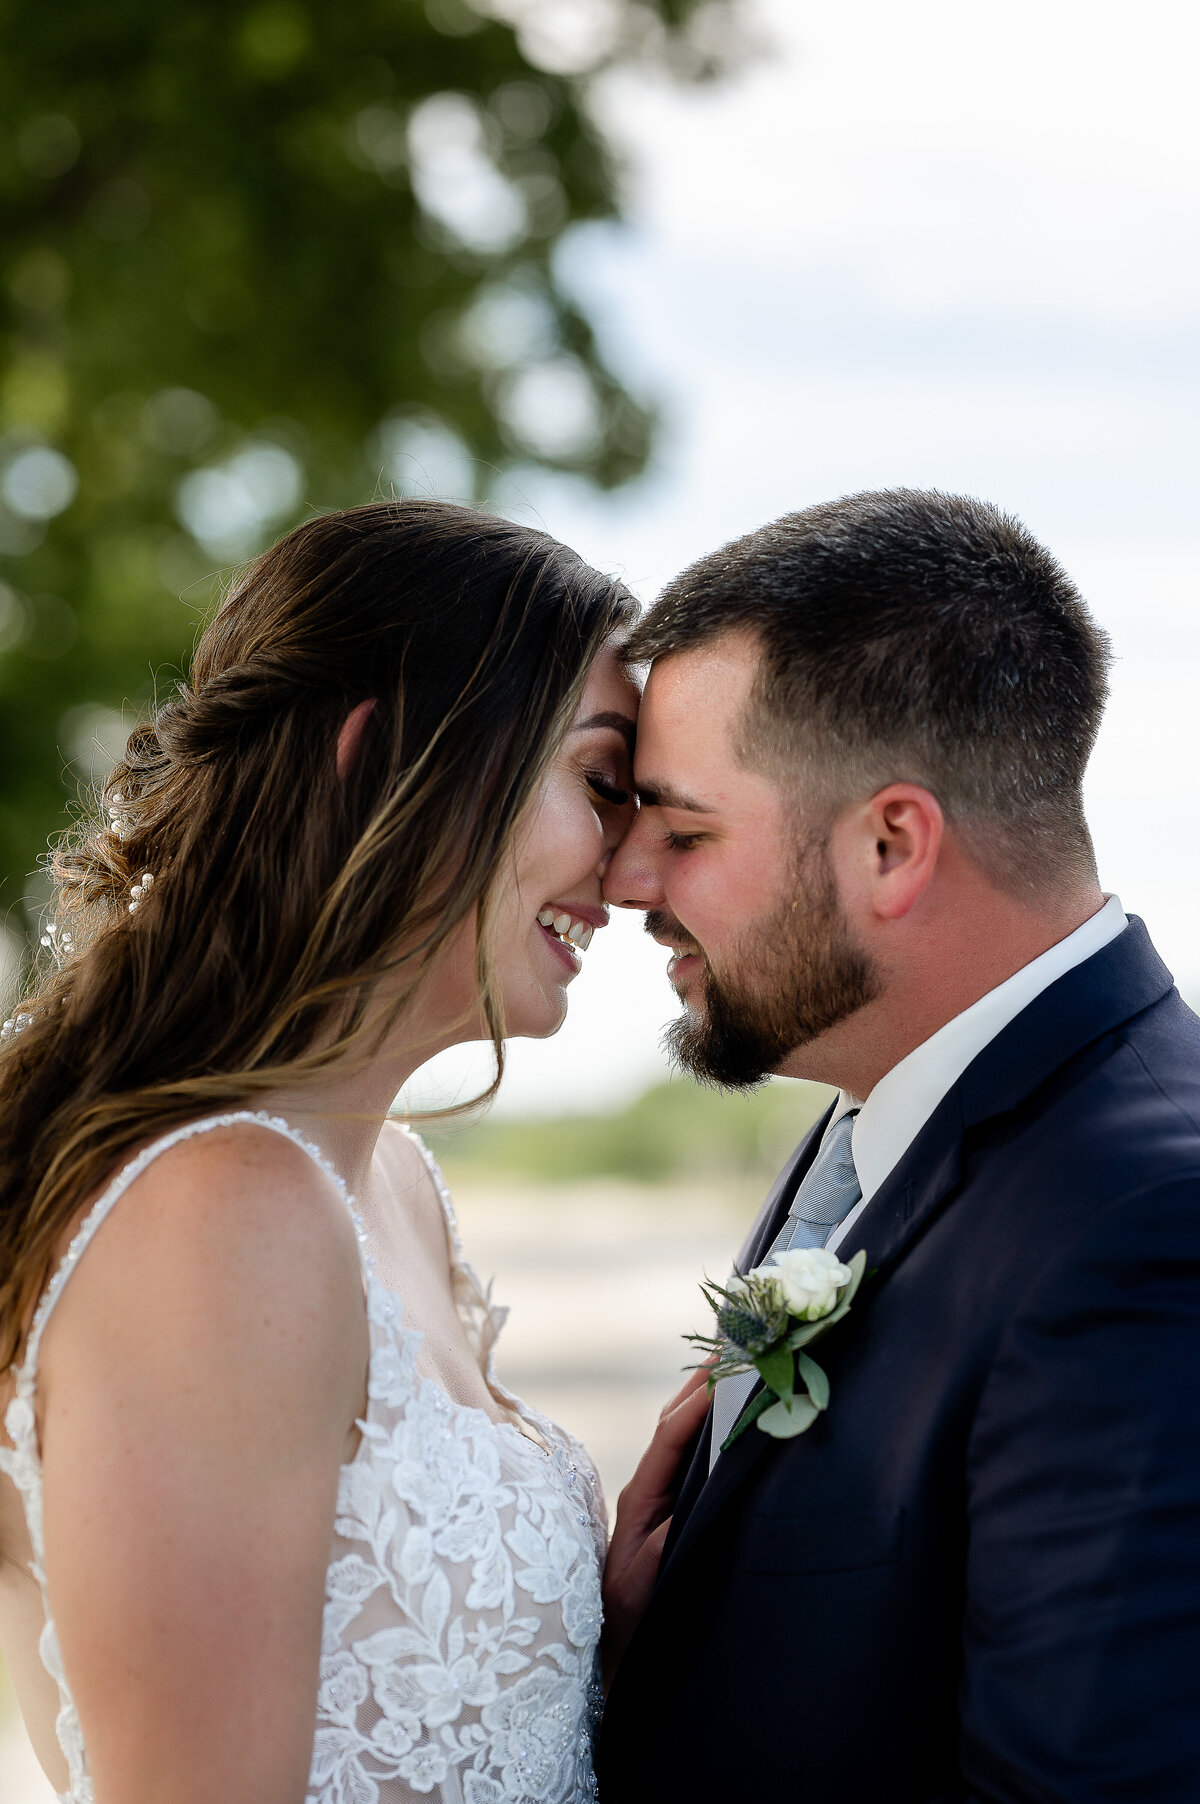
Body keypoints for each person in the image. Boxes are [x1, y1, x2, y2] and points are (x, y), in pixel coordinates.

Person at [0, 500, 640, 1804]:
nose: (630, 868)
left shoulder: (388, 1180)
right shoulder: (219, 1214)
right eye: (599, 780)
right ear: (381, 754)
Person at [597, 490, 1200, 1801]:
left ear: (891, 843)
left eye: (684, 831)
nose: (627, 882)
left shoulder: (1148, 1223)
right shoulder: (874, 1121)